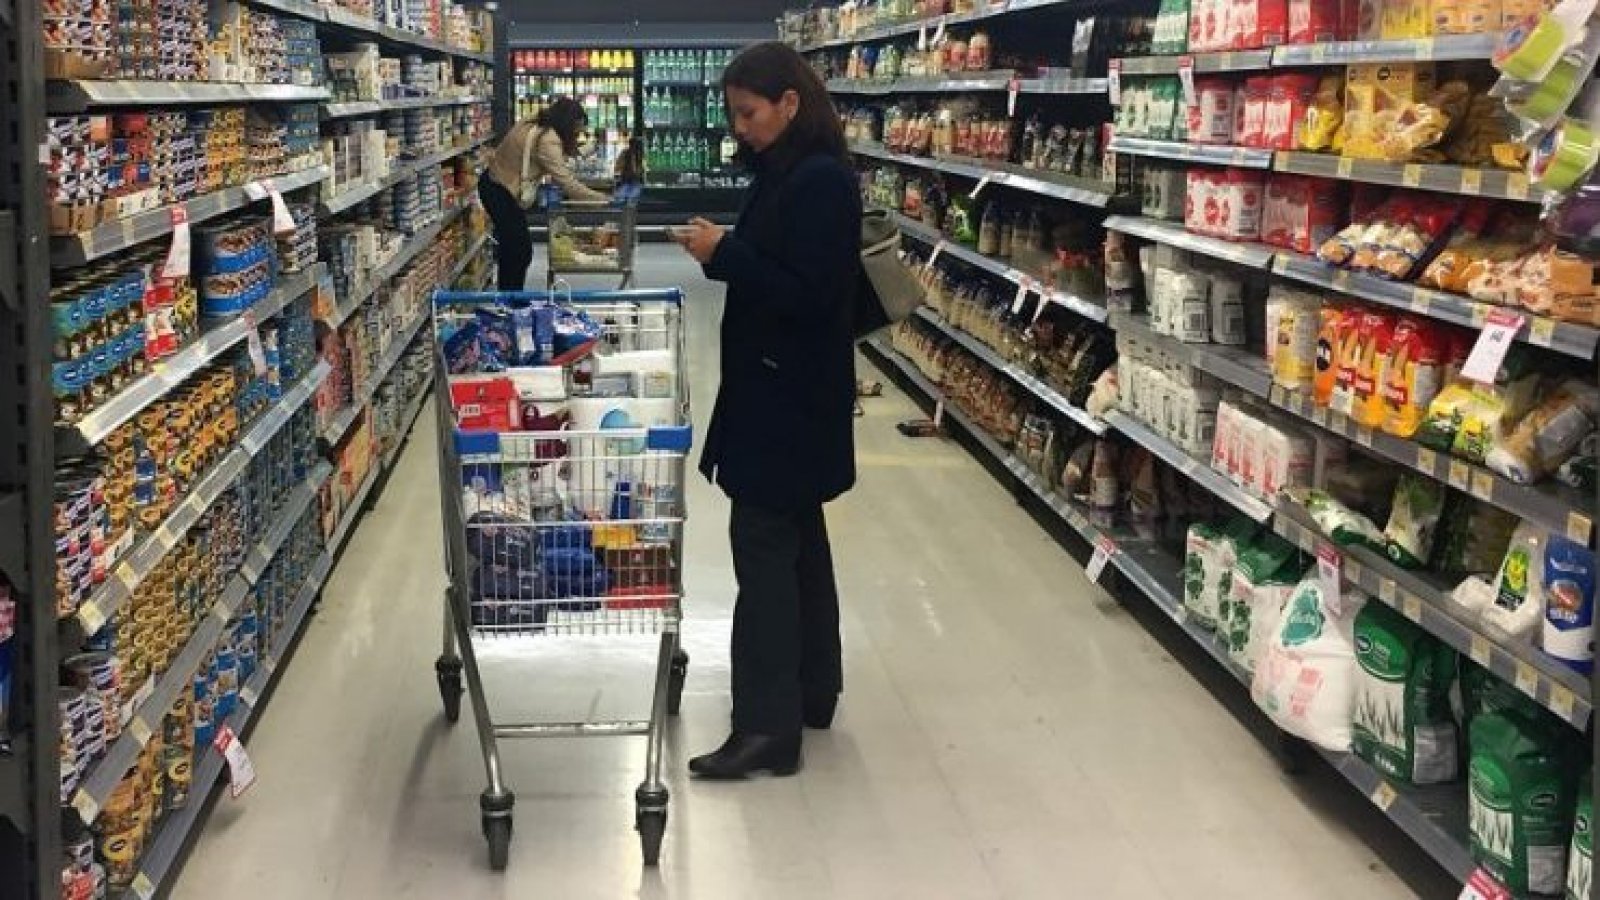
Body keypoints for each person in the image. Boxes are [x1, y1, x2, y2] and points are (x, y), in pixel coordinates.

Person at [672, 41, 861, 780]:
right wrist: (727, 247)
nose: (741, 129)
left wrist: (726, 252)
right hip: (788, 393)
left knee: (762, 547)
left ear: (790, 103)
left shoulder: (819, 182)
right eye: (734, 115)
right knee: (798, 541)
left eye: (749, 114)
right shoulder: (794, 172)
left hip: (787, 399)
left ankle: (765, 727)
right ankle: (814, 690)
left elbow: (812, 296)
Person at [480, 97, 607, 291]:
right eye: (577, 129)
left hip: (494, 185)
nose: (578, 133)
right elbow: (567, 183)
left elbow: (558, 154)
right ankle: (511, 302)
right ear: (567, 124)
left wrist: (587, 149)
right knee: (520, 250)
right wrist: (604, 201)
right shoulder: (548, 139)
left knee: (514, 248)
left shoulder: (536, 122)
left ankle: (510, 300)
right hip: (500, 192)